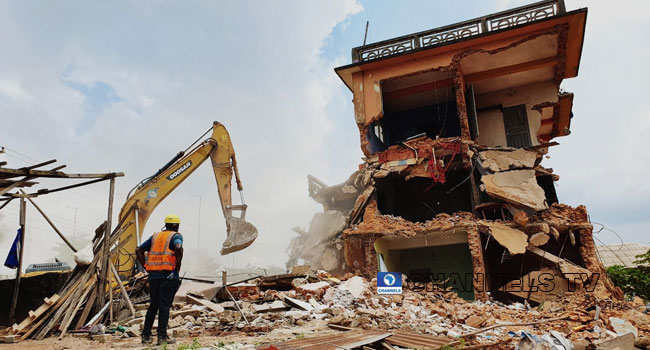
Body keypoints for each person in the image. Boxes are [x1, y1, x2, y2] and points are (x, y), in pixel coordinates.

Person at [136, 214, 184, 345]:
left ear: (166, 225)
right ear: (177, 225)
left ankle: (146, 335)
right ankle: (162, 337)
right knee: (164, 307)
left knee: (153, 305)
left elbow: (139, 250)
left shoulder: (155, 236)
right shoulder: (176, 236)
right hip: (167, 276)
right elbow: (178, 247)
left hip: (153, 277)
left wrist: (146, 266)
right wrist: (177, 269)